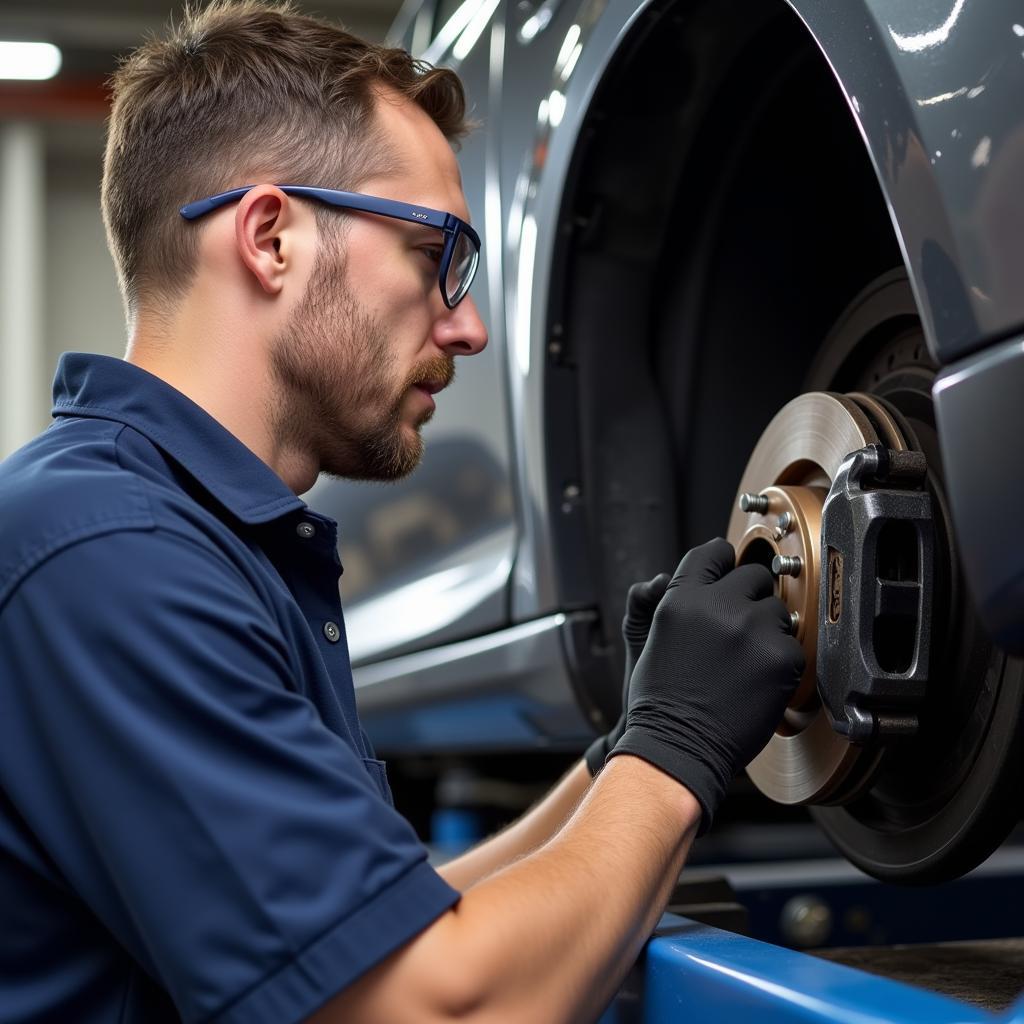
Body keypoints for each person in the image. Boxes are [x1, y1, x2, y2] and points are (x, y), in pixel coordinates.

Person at [0, 2, 804, 1022]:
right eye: (439, 254)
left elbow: (395, 928)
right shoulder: (111, 557)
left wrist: (626, 751)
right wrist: (676, 747)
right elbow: (436, 1007)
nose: (465, 326)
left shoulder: (179, 534)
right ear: (271, 237)